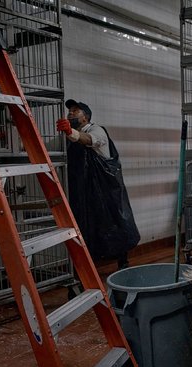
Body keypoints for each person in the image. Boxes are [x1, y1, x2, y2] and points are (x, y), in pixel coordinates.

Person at [57, 100, 140, 271]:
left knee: (116, 221)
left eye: (75, 111)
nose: (70, 113)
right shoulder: (67, 137)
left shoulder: (96, 130)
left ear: (85, 117)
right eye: (69, 111)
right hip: (84, 191)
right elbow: (48, 149)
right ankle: (89, 265)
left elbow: (90, 140)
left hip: (107, 190)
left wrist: (70, 131)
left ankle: (123, 261)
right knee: (88, 225)